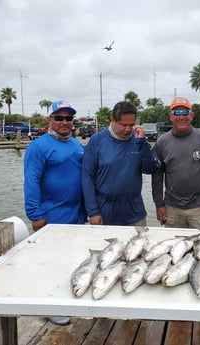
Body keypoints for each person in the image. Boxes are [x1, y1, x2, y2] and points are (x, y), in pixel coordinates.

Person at [24, 100, 86, 326]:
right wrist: (35, 214)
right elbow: (31, 181)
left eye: (68, 118)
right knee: (50, 263)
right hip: (51, 215)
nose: (64, 122)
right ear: (49, 120)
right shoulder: (38, 147)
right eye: (59, 118)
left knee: (71, 260)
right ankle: (49, 305)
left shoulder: (78, 146)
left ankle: (65, 301)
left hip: (76, 215)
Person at [81, 101, 159, 226]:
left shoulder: (138, 140)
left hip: (135, 214)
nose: (128, 129)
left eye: (131, 125)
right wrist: (93, 212)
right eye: (123, 125)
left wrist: (143, 143)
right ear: (112, 119)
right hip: (104, 214)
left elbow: (151, 169)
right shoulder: (97, 141)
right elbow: (87, 177)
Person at [151, 96, 200, 229]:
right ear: (171, 116)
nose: (181, 116)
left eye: (185, 112)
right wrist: (158, 204)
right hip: (172, 208)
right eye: (177, 112)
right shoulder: (162, 142)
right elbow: (157, 176)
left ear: (192, 115)